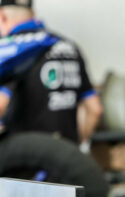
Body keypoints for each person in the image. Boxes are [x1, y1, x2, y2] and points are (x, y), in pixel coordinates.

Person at [0, 0, 102, 144]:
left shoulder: (13, 50)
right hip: (68, 157)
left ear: (2, 16)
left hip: (29, 158)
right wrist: (76, 146)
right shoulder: (68, 46)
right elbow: (95, 109)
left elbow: (1, 103)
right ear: (33, 14)